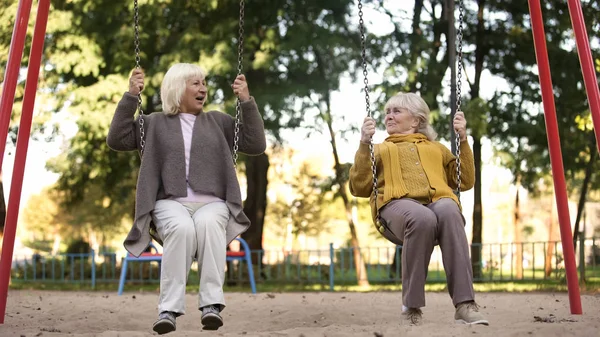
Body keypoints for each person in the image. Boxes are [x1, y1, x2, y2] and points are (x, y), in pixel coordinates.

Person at [107, 63, 266, 334]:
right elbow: (117, 138)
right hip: (170, 202)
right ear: (177, 88)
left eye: (203, 82)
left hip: (213, 202)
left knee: (207, 224)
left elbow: (255, 143)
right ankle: (168, 310)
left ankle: (211, 305)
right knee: (180, 228)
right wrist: (131, 96)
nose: (202, 88)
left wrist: (246, 101)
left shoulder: (219, 121)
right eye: (195, 83)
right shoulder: (153, 122)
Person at [349, 92, 488, 326]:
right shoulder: (380, 150)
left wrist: (463, 139)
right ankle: (411, 307)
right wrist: (364, 143)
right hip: (396, 206)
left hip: (437, 203)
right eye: (387, 112)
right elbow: (359, 187)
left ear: (416, 120)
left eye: (396, 111)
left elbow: (464, 182)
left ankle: (465, 304)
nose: (389, 116)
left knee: (449, 210)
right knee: (421, 217)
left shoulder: (438, 149)